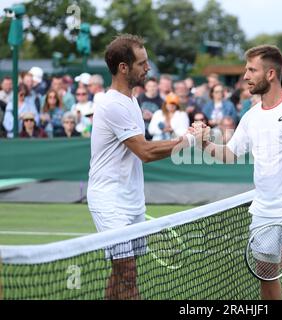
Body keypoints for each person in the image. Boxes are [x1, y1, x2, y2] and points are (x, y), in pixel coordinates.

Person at [200, 45, 282, 300]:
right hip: (263, 209)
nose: (245, 76)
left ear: (270, 74)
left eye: (251, 70)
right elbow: (230, 154)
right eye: (246, 70)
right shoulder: (251, 116)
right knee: (265, 274)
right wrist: (203, 143)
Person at [87, 34, 200, 300]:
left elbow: (142, 150)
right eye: (141, 63)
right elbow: (145, 152)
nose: (147, 68)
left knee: (119, 273)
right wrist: (190, 140)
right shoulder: (111, 103)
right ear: (123, 68)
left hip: (132, 200)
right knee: (128, 273)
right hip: (109, 200)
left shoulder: (131, 100)